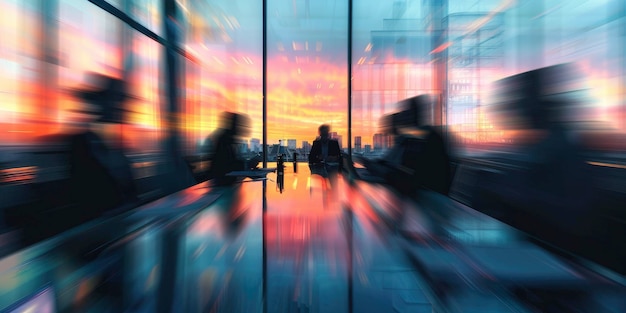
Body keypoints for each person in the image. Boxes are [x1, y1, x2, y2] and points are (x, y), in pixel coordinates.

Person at [205, 112, 260, 186]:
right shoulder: (223, 141)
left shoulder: (228, 139)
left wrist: (247, 166)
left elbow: (231, 165)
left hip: (224, 183)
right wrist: (247, 165)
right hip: (221, 185)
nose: (246, 130)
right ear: (236, 125)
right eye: (243, 126)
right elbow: (224, 167)